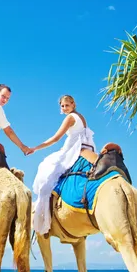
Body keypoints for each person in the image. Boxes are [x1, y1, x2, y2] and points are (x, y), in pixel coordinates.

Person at [29, 95, 96, 235]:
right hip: (86, 147)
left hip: (75, 150)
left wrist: (36, 148)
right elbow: (77, 137)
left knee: (45, 168)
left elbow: (56, 138)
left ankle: (45, 215)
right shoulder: (81, 117)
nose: (65, 108)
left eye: (67, 105)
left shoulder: (70, 117)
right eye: (62, 106)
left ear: (73, 104)